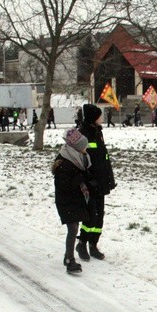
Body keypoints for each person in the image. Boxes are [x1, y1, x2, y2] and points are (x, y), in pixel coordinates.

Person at [76, 104, 116, 261]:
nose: (102, 118)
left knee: (100, 215)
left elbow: (104, 159)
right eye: (100, 115)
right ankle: (82, 242)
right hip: (89, 184)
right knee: (91, 215)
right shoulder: (82, 134)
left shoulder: (98, 133)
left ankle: (93, 244)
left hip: (101, 182)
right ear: (93, 117)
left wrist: (109, 180)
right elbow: (80, 161)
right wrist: (88, 180)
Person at [53, 129, 91, 274]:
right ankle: (69, 259)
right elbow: (63, 186)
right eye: (84, 145)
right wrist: (81, 178)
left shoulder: (79, 158)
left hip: (75, 198)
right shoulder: (65, 162)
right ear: (76, 147)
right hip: (66, 200)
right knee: (73, 228)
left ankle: (68, 257)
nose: (86, 148)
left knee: (74, 227)